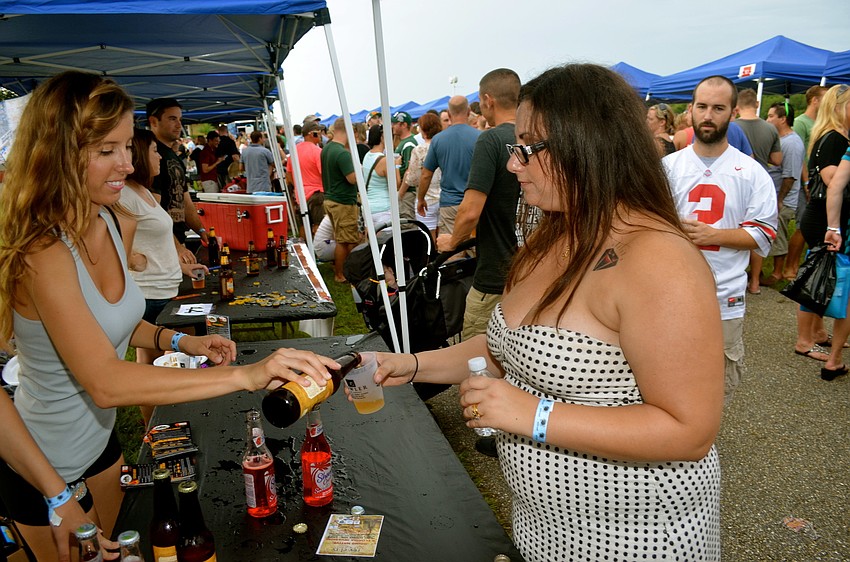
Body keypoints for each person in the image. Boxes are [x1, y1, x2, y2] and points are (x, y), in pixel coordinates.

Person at [369, 64, 723, 561]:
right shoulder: (552, 236)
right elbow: (506, 348)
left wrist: (531, 414)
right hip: (543, 530)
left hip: (635, 539)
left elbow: (689, 430)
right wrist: (412, 365)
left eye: (529, 147)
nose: (514, 164)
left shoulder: (659, 262)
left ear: (589, 148)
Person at [0, 71, 342, 557]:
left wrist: (183, 342)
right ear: (57, 152)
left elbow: (113, 326)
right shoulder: (44, 251)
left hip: (98, 447)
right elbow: (105, 381)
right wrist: (248, 375)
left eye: (126, 144)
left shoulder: (109, 220)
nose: (126, 162)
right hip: (41, 468)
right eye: (107, 150)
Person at [664, 75, 777, 405]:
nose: (708, 115)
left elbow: (763, 233)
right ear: (690, 110)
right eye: (702, 106)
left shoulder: (751, 171)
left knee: (717, 384)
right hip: (672, 295)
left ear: (732, 113)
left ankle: (703, 446)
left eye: (718, 108)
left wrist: (715, 235)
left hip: (725, 297)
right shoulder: (667, 168)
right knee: (667, 375)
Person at [120, 128, 208, 425]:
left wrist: (180, 265)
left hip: (164, 289)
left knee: (174, 362)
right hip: (148, 294)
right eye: (154, 151)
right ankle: (155, 430)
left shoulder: (143, 191)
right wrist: (132, 259)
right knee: (153, 370)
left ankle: (172, 423)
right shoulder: (124, 195)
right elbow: (114, 244)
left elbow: (160, 234)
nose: (160, 156)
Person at [436, 68, 522, 343]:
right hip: (532, 271)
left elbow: (471, 209)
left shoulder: (491, 139)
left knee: (476, 355)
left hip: (496, 274)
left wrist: (453, 241)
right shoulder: (533, 138)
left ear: (488, 100)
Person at [0, 391, 118, 561]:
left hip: (95, 430)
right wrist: (59, 498)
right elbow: (104, 387)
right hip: (33, 450)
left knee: (119, 543)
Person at [798, 84, 850, 379]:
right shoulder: (834, 138)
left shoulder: (835, 136)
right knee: (816, 277)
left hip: (820, 216)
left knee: (820, 276)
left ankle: (816, 331)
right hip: (821, 218)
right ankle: (804, 340)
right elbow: (832, 179)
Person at [146, 98, 209, 258]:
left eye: (180, 119)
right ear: (153, 121)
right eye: (172, 119)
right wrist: (176, 246)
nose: (179, 125)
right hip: (159, 247)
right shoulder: (150, 156)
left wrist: (201, 230)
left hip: (178, 241)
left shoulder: (174, 157)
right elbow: (150, 209)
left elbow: (185, 199)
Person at [419, 96, 480, 235]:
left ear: (449, 113)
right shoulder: (480, 137)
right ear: (469, 111)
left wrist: (421, 199)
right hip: (475, 202)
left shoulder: (438, 140)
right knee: (475, 247)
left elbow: (426, 175)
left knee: (451, 250)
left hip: (450, 203)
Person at [758, 102, 804, 287]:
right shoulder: (781, 140)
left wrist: (780, 200)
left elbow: (790, 175)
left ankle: (777, 274)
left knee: (779, 235)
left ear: (783, 119)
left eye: (770, 116)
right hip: (777, 196)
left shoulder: (792, 143)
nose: (767, 119)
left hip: (783, 198)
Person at [786, 85, 828, 280]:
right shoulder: (801, 123)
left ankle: (803, 265)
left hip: (818, 182)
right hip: (808, 182)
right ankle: (790, 267)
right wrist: (806, 182)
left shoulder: (823, 122)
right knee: (803, 225)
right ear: (814, 100)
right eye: (825, 98)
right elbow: (801, 155)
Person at [321, 117, 359, 283]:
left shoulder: (327, 148)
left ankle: (341, 271)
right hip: (343, 201)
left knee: (341, 238)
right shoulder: (342, 153)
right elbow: (352, 179)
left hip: (331, 198)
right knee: (345, 241)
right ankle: (341, 274)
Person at [403, 112, 442, 236]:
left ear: (423, 130)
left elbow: (412, 180)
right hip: (445, 197)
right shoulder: (444, 146)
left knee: (428, 240)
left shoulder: (419, 149)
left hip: (426, 199)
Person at [286, 121, 325, 238]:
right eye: (318, 133)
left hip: (300, 195)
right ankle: (318, 252)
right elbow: (323, 173)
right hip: (317, 194)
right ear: (311, 134)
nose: (320, 135)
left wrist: (298, 186)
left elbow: (288, 175)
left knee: (304, 225)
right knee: (319, 225)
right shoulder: (317, 151)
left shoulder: (294, 151)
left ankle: (305, 251)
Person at [362, 124, 399, 226]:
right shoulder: (385, 160)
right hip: (383, 208)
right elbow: (396, 184)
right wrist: (396, 165)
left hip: (368, 207)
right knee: (387, 241)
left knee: (372, 241)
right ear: (382, 137)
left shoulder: (367, 155)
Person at [391, 111, 418, 220]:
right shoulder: (403, 143)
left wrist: (400, 194)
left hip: (407, 192)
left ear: (404, 125)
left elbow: (409, 171)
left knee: (407, 224)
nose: (392, 126)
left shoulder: (408, 144)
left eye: (395, 123)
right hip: (404, 191)